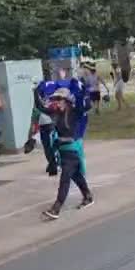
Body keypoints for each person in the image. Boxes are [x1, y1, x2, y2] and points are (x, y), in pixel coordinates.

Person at [34, 88, 94, 221]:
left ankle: (56, 207)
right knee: (76, 176)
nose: (56, 102)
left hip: (72, 151)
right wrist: (35, 91)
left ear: (66, 101)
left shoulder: (73, 112)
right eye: (55, 99)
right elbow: (39, 107)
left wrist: (84, 92)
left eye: (59, 99)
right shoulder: (55, 113)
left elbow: (87, 106)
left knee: (65, 179)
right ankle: (88, 196)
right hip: (62, 152)